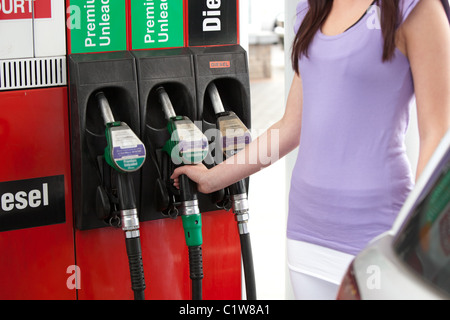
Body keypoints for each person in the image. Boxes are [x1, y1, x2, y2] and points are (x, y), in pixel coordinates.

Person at [171, 0, 450, 299]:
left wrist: (423, 238)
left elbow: (437, 134)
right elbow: (291, 127)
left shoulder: (414, 7)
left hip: (378, 231)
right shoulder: (311, 9)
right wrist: (215, 177)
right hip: (307, 233)